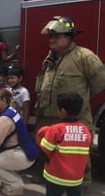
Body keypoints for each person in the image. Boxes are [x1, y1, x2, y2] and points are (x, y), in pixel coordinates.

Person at [34, 16, 105, 182]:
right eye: (50, 36)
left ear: (68, 37)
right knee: (47, 148)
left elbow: (100, 81)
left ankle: (82, 183)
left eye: (56, 36)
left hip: (75, 117)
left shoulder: (84, 56)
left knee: (77, 152)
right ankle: (47, 177)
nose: (51, 40)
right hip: (48, 113)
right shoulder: (50, 58)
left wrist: (80, 99)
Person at [37, 92, 91, 196]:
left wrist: (43, 134)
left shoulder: (56, 129)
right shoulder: (85, 130)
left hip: (55, 176)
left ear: (62, 111)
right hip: (76, 178)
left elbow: (46, 148)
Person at [0, 89, 36, 196]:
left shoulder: (5, 118)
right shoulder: (11, 110)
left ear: (4, 100)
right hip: (26, 152)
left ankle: (15, 185)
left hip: (21, 154)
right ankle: (13, 180)